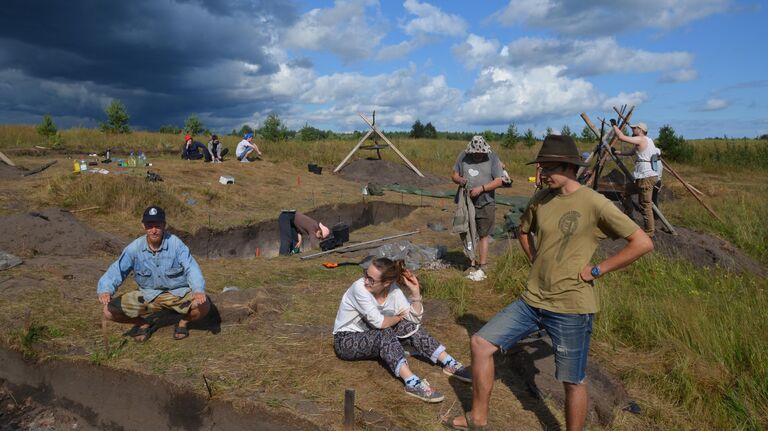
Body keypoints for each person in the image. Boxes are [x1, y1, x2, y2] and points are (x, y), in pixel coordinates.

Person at [443, 135, 654, 431]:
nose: (542, 174)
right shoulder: (541, 198)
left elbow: (642, 242)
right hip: (532, 301)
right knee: (481, 343)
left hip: (571, 306)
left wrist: (596, 270)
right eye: (541, 168)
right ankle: (477, 418)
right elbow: (523, 231)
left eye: (547, 168)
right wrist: (537, 260)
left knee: (572, 380)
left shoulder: (595, 203)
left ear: (568, 167)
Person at [333, 258, 472, 403]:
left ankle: (449, 362)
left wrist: (416, 293)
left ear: (386, 283)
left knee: (409, 327)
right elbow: (380, 323)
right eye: (365, 275)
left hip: (373, 334)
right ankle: (412, 382)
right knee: (384, 332)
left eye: (371, 279)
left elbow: (413, 320)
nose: (366, 281)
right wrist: (398, 318)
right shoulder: (359, 289)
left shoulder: (393, 290)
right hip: (346, 340)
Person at [97, 206, 209, 342]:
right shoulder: (134, 248)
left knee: (203, 305)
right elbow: (117, 270)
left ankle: (183, 322)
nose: (154, 230)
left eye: (158, 225)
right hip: (148, 295)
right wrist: (106, 289)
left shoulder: (176, 244)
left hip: (177, 293)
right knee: (108, 311)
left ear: (164, 225)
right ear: (143, 225)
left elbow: (191, 268)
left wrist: (198, 289)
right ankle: (143, 324)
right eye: (150, 225)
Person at [451, 135, 504, 281]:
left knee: (483, 234)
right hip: (467, 202)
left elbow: (499, 181)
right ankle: (471, 263)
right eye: (474, 153)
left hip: (486, 202)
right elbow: (454, 174)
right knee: (467, 231)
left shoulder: (492, 157)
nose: (477, 155)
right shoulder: (463, 155)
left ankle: (483, 264)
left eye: (480, 153)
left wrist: (481, 188)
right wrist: (460, 180)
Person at [612, 122, 661, 237]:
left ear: (640, 129)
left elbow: (621, 137)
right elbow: (631, 152)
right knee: (625, 191)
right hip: (642, 176)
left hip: (646, 177)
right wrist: (617, 152)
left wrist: (614, 125)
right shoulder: (647, 141)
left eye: (634, 128)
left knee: (645, 204)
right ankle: (629, 214)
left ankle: (649, 232)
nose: (633, 129)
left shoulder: (642, 139)